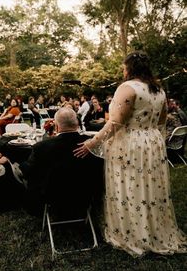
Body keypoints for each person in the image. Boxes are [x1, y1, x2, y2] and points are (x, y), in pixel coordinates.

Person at [74, 51, 187, 257]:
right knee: (150, 185)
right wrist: (153, 139)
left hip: (131, 143)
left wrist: (92, 142)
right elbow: (161, 121)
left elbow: (115, 123)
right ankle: (152, 230)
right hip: (153, 141)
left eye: (124, 66)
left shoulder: (127, 88)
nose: (122, 70)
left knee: (129, 183)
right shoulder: (158, 90)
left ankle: (133, 233)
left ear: (130, 67)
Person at [19, 107, 103, 216]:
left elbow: (30, 172)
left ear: (57, 127)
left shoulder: (41, 147)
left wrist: (21, 165)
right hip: (85, 194)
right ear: (77, 124)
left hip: (51, 196)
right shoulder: (92, 144)